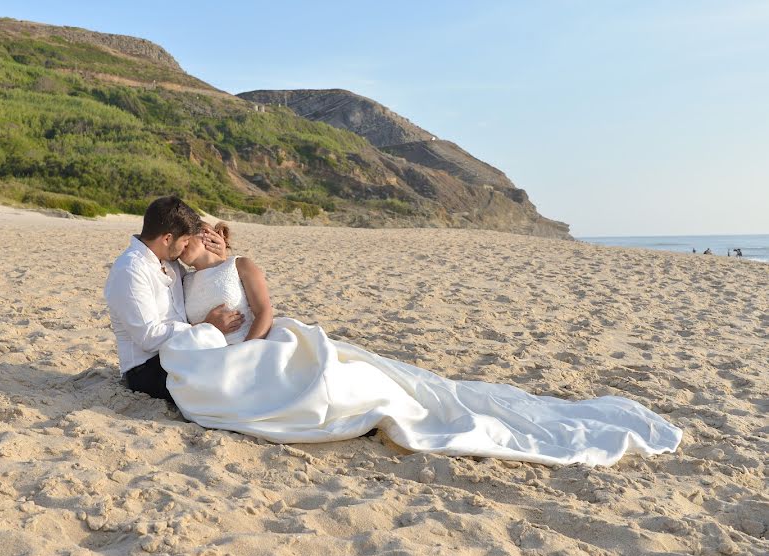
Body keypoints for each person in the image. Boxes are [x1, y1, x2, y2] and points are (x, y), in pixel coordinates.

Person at [159, 223, 683, 467]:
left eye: (215, 234)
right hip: (223, 350)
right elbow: (188, 324)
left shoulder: (240, 265)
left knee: (359, 384)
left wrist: (246, 343)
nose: (208, 240)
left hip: (265, 338)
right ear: (183, 245)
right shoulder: (180, 280)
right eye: (199, 235)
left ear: (225, 241)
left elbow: (265, 311)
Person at [103, 196, 244, 401]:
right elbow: (149, 337)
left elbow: (201, 290)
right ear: (167, 239)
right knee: (228, 385)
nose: (185, 247)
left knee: (244, 368)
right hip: (147, 368)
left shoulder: (170, 265)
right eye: (185, 241)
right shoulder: (131, 270)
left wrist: (220, 258)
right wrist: (205, 327)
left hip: (184, 352)